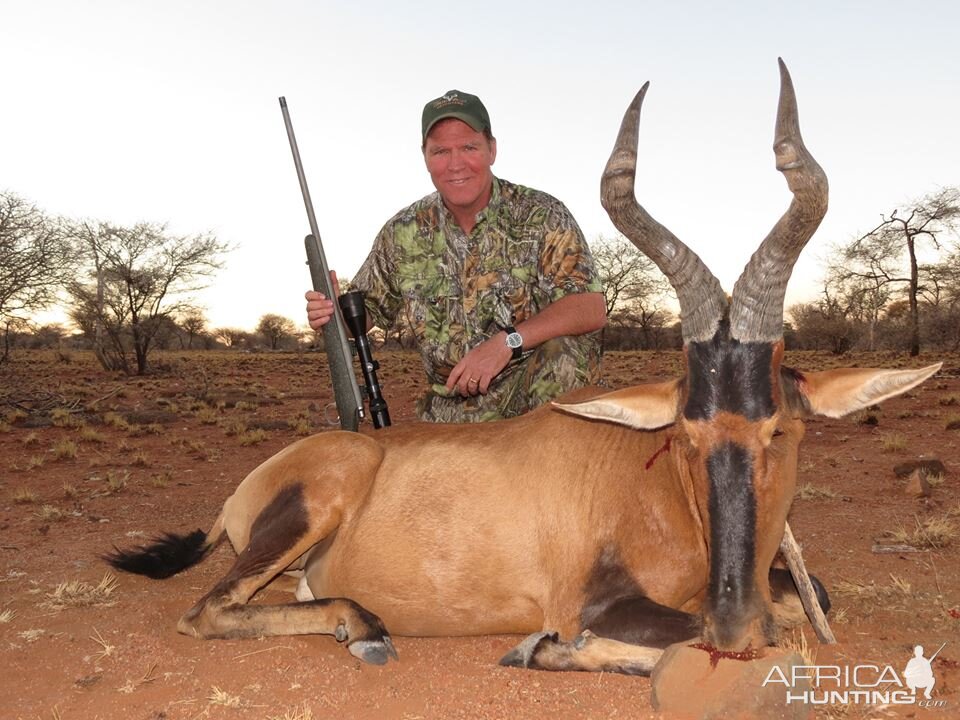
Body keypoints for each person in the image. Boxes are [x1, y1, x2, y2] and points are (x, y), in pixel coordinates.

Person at [306, 89, 606, 423]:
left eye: (468, 147)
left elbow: (589, 306)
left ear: (491, 149)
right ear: (425, 157)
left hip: (532, 408)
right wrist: (330, 313)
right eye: (440, 152)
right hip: (449, 418)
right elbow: (364, 317)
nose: (455, 164)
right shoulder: (401, 232)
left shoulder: (542, 214)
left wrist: (507, 342)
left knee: (564, 353)